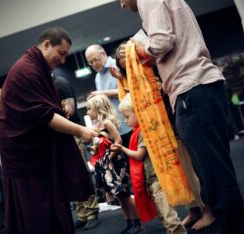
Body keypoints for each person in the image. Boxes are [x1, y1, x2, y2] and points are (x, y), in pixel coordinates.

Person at [118, 0, 244, 233]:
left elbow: (162, 42)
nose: (122, 5)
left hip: (190, 89)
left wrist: (136, 48)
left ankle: (232, 226)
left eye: (120, 0)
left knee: (213, 171)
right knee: (218, 167)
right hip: (202, 85)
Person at [0, 27, 97, 234]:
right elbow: (45, 115)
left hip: (32, 150)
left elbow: (46, 110)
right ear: (47, 44)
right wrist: (81, 131)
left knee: (50, 203)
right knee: (39, 211)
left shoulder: (35, 67)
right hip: (23, 155)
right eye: (62, 53)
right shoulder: (27, 70)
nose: (63, 60)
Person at [111, 94, 187, 234]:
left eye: (127, 117)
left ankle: (178, 231)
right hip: (150, 180)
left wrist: (122, 149)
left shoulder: (143, 133)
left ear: (138, 114)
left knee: (167, 212)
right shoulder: (137, 132)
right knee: (161, 212)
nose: (125, 121)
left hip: (156, 179)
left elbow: (139, 155)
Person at [86, 94, 142, 234]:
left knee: (124, 193)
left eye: (89, 108)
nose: (87, 112)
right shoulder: (95, 125)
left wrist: (109, 156)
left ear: (98, 107)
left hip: (114, 162)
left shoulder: (107, 123)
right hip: (104, 164)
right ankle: (129, 223)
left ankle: (138, 224)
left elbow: (118, 140)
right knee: (119, 196)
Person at [52, 74, 100, 230]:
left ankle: (92, 212)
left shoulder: (60, 83)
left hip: (73, 134)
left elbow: (70, 110)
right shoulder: (46, 84)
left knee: (81, 173)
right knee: (70, 177)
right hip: (60, 137)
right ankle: (82, 214)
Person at [85, 44, 132, 148]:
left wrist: (102, 93)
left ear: (103, 53)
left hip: (129, 122)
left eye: (95, 59)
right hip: (113, 127)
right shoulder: (97, 77)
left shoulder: (118, 65)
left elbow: (129, 90)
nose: (94, 64)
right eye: (90, 62)